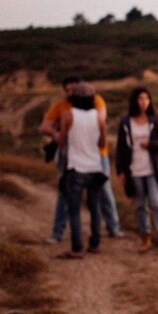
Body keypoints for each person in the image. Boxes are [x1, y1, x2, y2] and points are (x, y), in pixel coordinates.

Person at [39, 76, 123, 243]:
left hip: (87, 158)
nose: (71, 93)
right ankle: (70, 235)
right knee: (80, 199)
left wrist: (63, 134)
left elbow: (62, 138)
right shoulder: (64, 107)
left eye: (73, 90)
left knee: (84, 200)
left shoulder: (69, 113)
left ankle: (108, 230)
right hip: (87, 159)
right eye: (68, 90)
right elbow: (102, 136)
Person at [115, 87, 158, 253]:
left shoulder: (156, 119)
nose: (144, 102)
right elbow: (120, 148)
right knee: (140, 205)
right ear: (134, 101)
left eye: (146, 99)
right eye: (140, 99)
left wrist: (152, 145)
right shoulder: (126, 121)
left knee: (157, 203)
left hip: (153, 170)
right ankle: (145, 238)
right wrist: (121, 170)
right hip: (134, 169)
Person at [55, 83, 107, 259]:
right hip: (95, 167)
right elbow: (102, 143)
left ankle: (77, 248)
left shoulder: (67, 115)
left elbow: (61, 141)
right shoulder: (99, 116)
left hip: (75, 168)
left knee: (74, 210)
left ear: (72, 99)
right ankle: (95, 244)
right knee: (94, 208)